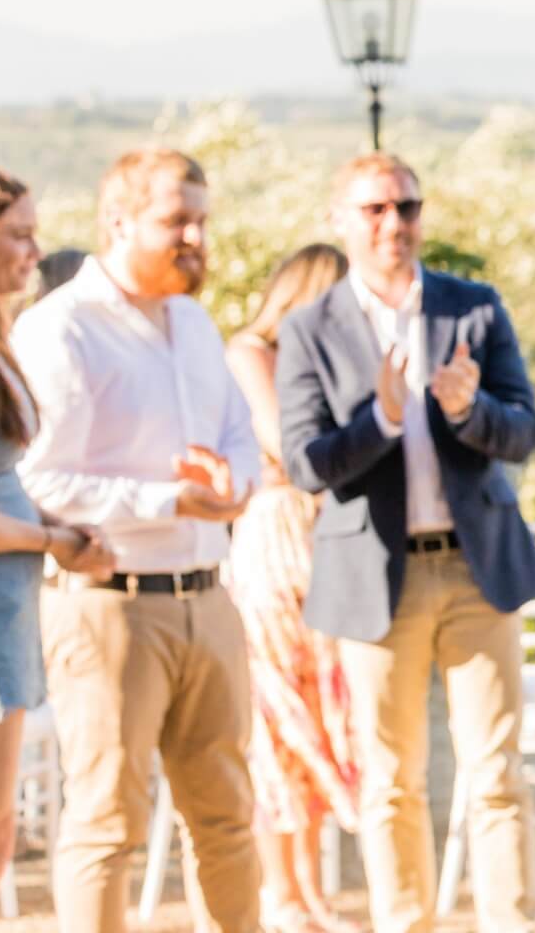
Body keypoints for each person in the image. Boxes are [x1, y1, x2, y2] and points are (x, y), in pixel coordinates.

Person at [277, 152, 535, 933]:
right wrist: (384, 421)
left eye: (407, 207)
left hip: (475, 568)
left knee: (495, 771)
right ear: (340, 221)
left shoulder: (475, 307)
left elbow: (522, 431)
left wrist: (468, 412)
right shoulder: (310, 328)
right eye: (374, 210)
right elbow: (305, 462)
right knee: (391, 780)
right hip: (374, 577)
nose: (394, 223)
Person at [12, 148, 263, 933]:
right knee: (107, 825)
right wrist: (170, 501)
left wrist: (237, 487)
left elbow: (240, 436)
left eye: (201, 220)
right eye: (176, 220)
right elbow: (42, 480)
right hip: (110, 609)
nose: (195, 236)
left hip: (209, 599)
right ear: (117, 222)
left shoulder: (194, 321)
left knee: (228, 816)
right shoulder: (59, 329)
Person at [0, 169, 111, 931]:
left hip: (7, 606)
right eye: (18, 235)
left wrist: (61, 526)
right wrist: (51, 539)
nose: (37, 251)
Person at [225, 242, 359, 933]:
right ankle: (283, 894)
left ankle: (310, 892)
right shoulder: (251, 352)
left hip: (321, 543)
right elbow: (289, 448)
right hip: (274, 540)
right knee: (279, 723)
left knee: (315, 710)